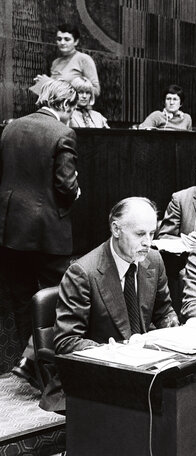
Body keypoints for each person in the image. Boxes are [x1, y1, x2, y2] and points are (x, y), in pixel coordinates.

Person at [0, 79, 80, 386]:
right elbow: (65, 184)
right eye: (72, 110)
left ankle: (27, 360)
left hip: (9, 230)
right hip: (46, 232)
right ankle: (42, 366)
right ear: (64, 105)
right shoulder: (63, 133)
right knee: (60, 297)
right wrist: (75, 194)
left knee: (22, 299)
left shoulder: (10, 127)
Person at [54, 197, 179, 354]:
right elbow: (66, 341)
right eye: (140, 234)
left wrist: (173, 329)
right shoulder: (83, 273)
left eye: (152, 233)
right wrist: (110, 351)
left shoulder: (153, 260)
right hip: (106, 369)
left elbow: (163, 311)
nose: (148, 242)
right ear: (116, 229)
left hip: (147, 361)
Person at [34, 23, 100, 97]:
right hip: (56, 106)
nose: (62, 42)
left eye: (67, 39)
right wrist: (44, 84)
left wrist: (53, 84)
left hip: (75, 107)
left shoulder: (83, 59)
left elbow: (96, 91)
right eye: (59, 39)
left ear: (76, 42)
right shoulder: (56, 62)